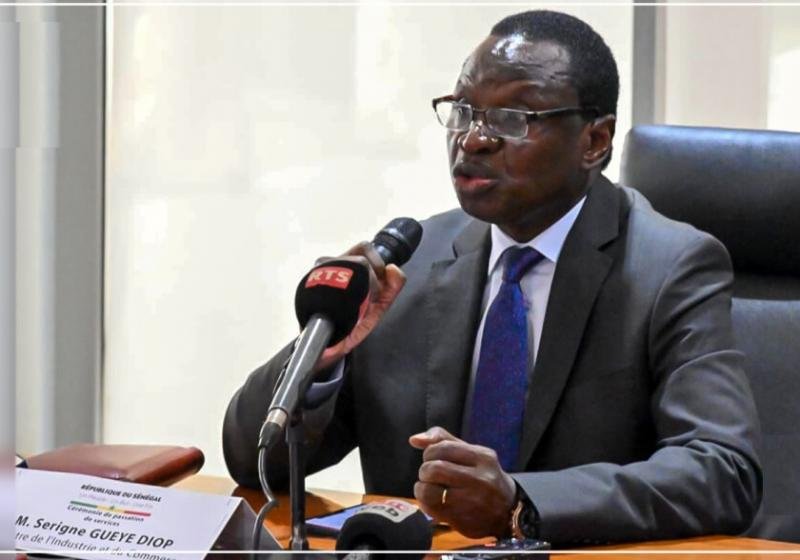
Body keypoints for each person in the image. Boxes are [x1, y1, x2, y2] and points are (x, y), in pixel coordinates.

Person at [222, 10, 762, 545]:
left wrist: (521, 502)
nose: (473, 139)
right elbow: (251, 461)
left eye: (513, 118)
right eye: (463, 111)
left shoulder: (669, 268)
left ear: (594, 141)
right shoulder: (407, 267)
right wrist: (324, 355)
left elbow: (722, 470)